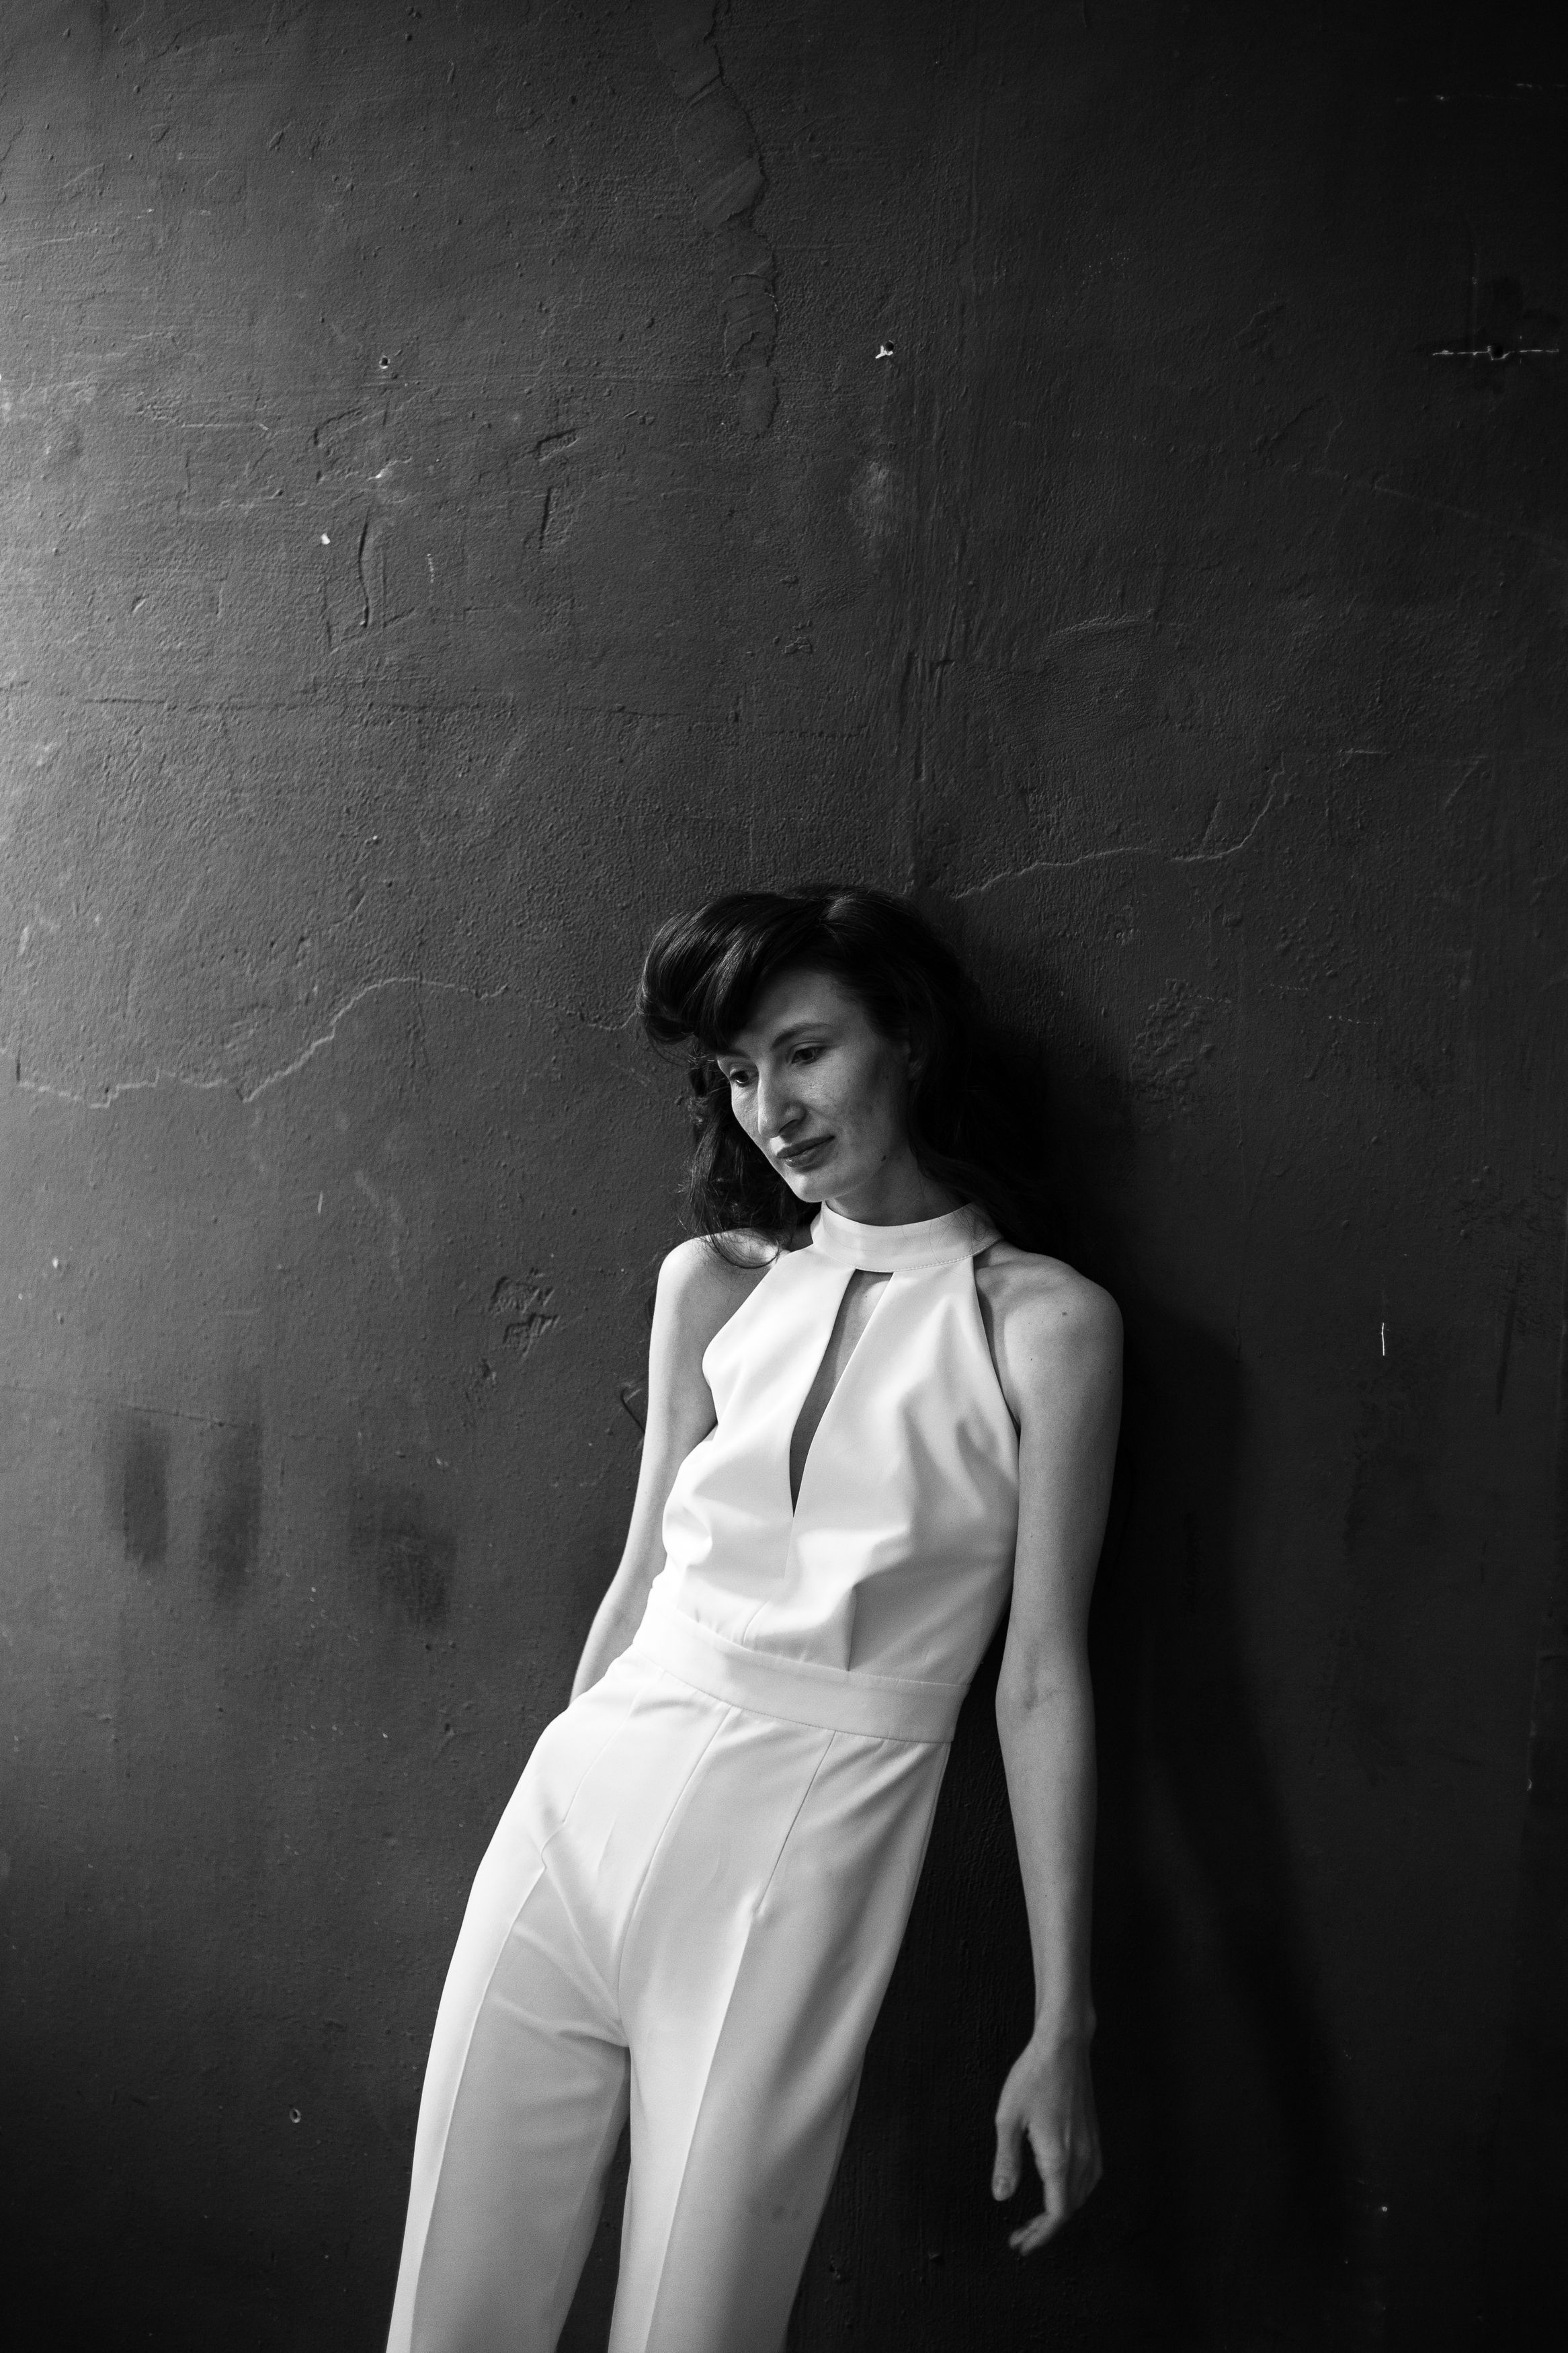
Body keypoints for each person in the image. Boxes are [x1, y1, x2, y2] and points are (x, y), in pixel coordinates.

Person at [384, 883, 1123, 2353]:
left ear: (907, 1040)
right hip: (578, 1811)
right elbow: (639, 1578)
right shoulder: (712, 1286)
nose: (768, 1111)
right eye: (735, 1071)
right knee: (446, 2315)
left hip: (797, 1863)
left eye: (804, 1052)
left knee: (695, 2327)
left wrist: (1063, 2022)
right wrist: (560, 1763)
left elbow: (1040, 1679)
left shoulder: (1042, 1325)